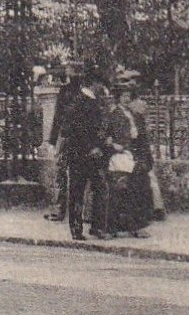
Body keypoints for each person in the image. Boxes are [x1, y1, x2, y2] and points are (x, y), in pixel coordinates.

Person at [62, 64, 110, 240]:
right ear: (94, 84)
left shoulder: (92, 101)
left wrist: (99, 146)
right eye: (100, 84)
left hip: (91, 155)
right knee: (78, 192)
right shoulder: (79, 102)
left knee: (99, 188)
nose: (102, 88)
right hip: (80, 155)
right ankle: (77, 229)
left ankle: (96, 227)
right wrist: (92, 147)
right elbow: (76, 130)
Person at [105, 68, 153, 238]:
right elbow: (105, 135)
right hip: (119, 156)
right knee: (120, 190)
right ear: (118, 97)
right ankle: (113, 227)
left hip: (133, 154)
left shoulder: (133, 114)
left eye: (128, 96)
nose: (126, 98)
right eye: (123, 96)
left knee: (138, 189)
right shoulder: (113, 114)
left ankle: (136, 225)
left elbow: (139, 135)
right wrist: (112, 145)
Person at [44, 56, 86, 222]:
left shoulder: (67, 91)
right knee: (76, 175)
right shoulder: (83, 91)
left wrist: (53, 140)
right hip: (79, 138)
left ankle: (60, 209)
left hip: (68, 137)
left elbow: (58, 117)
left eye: (69, 69)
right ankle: (79, 212)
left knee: (62, 173)